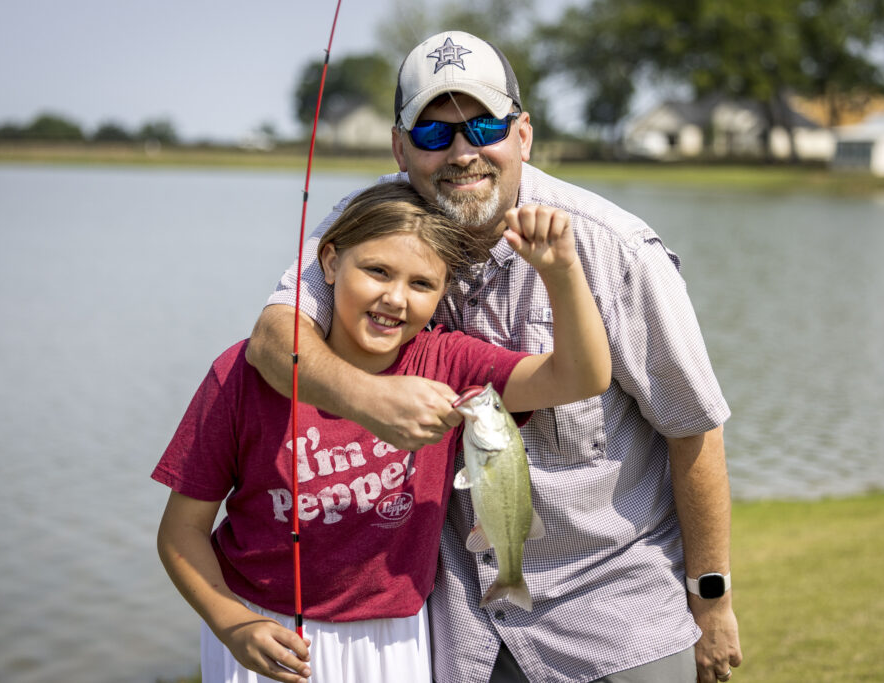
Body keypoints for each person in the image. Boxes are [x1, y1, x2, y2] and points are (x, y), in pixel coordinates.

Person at [248, 30, 744, 683]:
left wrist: (711, 597)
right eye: (434, 134)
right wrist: (369, 398)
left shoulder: (614, 246)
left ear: (523, 135)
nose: (462, 152)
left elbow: (694, 430)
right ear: (400, 149)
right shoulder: (372, 227)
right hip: (463, 639)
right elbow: (272, 338)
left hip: (615, 624)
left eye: (484, 125)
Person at [154, 181, 610, 683]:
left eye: (421, 284)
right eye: (377, 271)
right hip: (262, 629)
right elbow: (182, 532)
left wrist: (562, 272)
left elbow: (580, 377)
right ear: (330, 263)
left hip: (397, 639)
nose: (395, 299)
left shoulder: (449, 362)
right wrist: (232, 623)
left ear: (442, 294)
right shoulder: (242, 373)